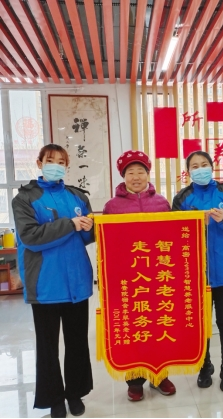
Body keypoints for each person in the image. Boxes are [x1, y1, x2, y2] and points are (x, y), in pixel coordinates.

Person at [12, 144, 94, 418]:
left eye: (61, 162)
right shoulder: (25, 198)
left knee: (77, 342)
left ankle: (75, 393)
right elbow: (30, 237)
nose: (56, 166)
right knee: (48, 347)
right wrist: (71, 224)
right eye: (50, 160)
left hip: (77, 282)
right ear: (39, 163)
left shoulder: (77, 196)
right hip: (46, 283)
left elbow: (86, 238)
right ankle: (54, 398)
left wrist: (90, 227)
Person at [172, 151, 223, 392]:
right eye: (195, 166)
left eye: (204, 164)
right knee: (199, 324)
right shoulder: (182, 198)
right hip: (195, 274)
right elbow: (173, 235)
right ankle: (204, 366)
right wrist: (196, 222)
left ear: (212, 167)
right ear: (188, 172)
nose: (200, 169)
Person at [103, 150, 176, 401]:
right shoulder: (112, 207)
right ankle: (134, 381)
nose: (136, 177)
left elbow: (172, 238)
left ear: (148, 174)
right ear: (123, 176)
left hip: (158, 276)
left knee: (160, 324)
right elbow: (106, 244)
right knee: (134, 328)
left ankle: (160, 375)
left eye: (141, 171)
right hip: (128, 278)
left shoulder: (162, 203)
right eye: (130, 172)